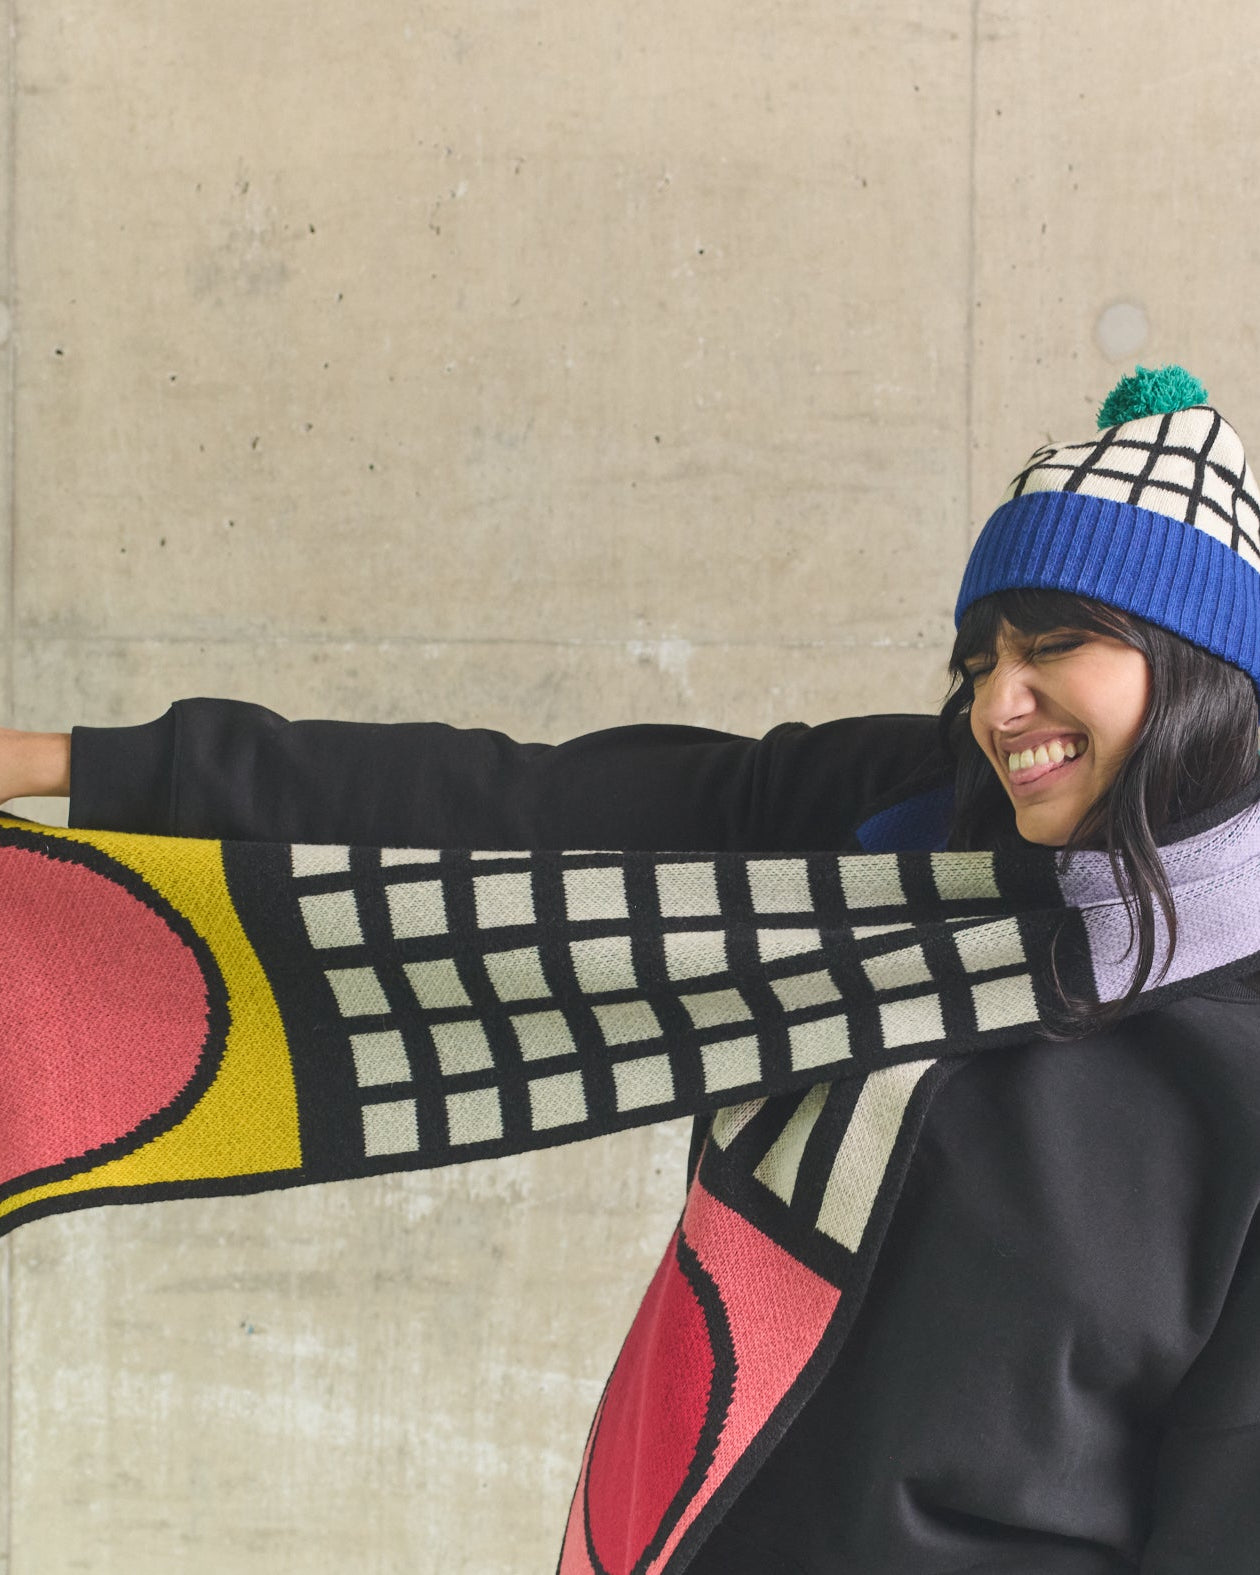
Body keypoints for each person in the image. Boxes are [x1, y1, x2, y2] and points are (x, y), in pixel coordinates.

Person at [3, 363, 1260, 1572]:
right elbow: (514, 812)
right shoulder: (900, 824)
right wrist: (75, 768)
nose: (1001, 705)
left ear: (1201, 657)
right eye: (981, 661)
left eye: (1054, 648)